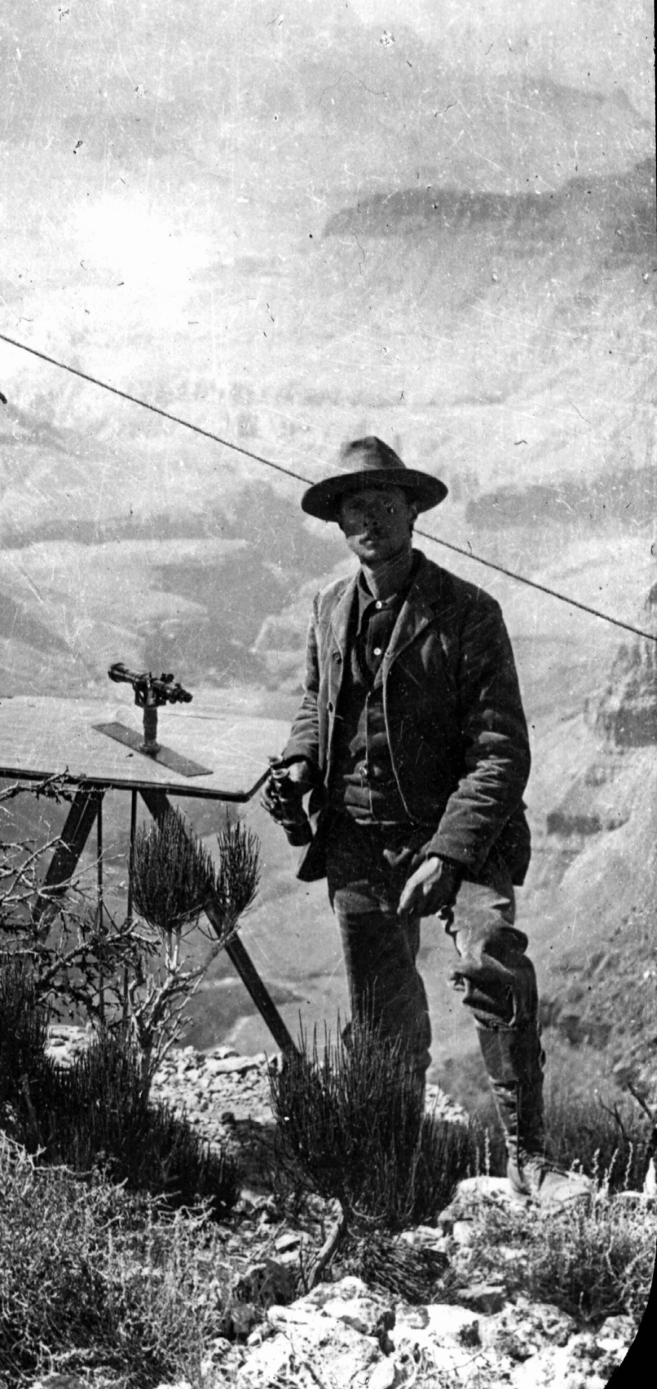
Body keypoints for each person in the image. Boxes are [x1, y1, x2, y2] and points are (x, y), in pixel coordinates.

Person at [262, 436, 546, 1191]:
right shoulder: (328, 609)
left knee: (492, 957)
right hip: (359, 837)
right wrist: (299, 765)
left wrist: (448, 858)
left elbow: (500, 755)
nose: (370, 519)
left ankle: (531, 1157)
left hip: (461, 837)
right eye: (356, 506)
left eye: (385, 503)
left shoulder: (469, 614)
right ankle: (389, 1169)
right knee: (381, 1014)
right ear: (339, 522)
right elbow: (314, 706)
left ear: (413, 513)